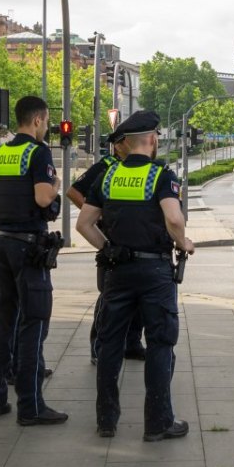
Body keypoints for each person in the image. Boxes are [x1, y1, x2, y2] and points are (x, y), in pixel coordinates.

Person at [76, 110, 196, 441]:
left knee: (110, 344)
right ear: (153, 140)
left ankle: (106, 420)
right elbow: (173, 218)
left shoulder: (108, 177)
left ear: (125, 145)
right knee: (160, 342)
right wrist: (183, 240)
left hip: (118, 270)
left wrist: (109, 247)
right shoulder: (162, 176)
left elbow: (83, 224)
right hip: (154, 272)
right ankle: (158, 423)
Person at [0, 95, 68, 426]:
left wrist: (6, 193)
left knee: (2, 324)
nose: (47, 128)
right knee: (33, 324)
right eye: (47, 122)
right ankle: (31, 406)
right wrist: (55, 184)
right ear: (38, 120)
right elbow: (43, 197)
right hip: (29, 247)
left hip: (1, 244)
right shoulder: (37, 153)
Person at [68, 130, 145, 364]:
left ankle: (132, 344)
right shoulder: (106, 166)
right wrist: (97, 213)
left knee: (140, 297)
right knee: (109, 297)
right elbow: (74, 192)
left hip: (138, 240)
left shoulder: (143, 166)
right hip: (111, 240)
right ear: (118, 145)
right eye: (128, 142)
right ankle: (98, 347)